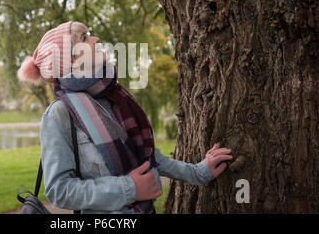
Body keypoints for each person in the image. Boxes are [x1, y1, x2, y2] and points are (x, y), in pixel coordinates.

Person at [17, 21, 233, 214]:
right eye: (85, 38)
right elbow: (59, 191)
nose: (96, 39)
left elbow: (147, 155)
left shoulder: (111, 97)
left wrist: (198, 172)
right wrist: (129, 188)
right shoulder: (59, 114)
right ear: (71, 61)